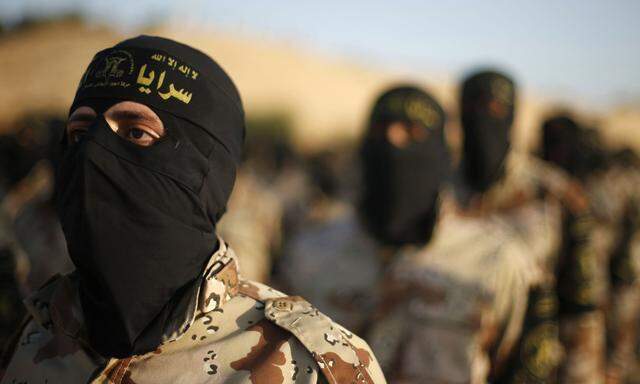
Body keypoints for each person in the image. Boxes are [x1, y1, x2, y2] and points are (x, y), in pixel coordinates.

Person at [0, 35, 386, 384]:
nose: (93, 156)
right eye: (80, 134)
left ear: (209, 172)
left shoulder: (312, 366)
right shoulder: (33, 337)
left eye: (137, 133)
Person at [279, 85, 450, 334]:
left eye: (413, 132)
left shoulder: (487, 263)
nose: (393, 143)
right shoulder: (310, 250)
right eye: (381, 130)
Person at [542, 117, 640, 383]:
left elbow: (625, 284)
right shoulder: (544, 192)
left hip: (589, 321)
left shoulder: (597, 195)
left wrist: (617, 364)